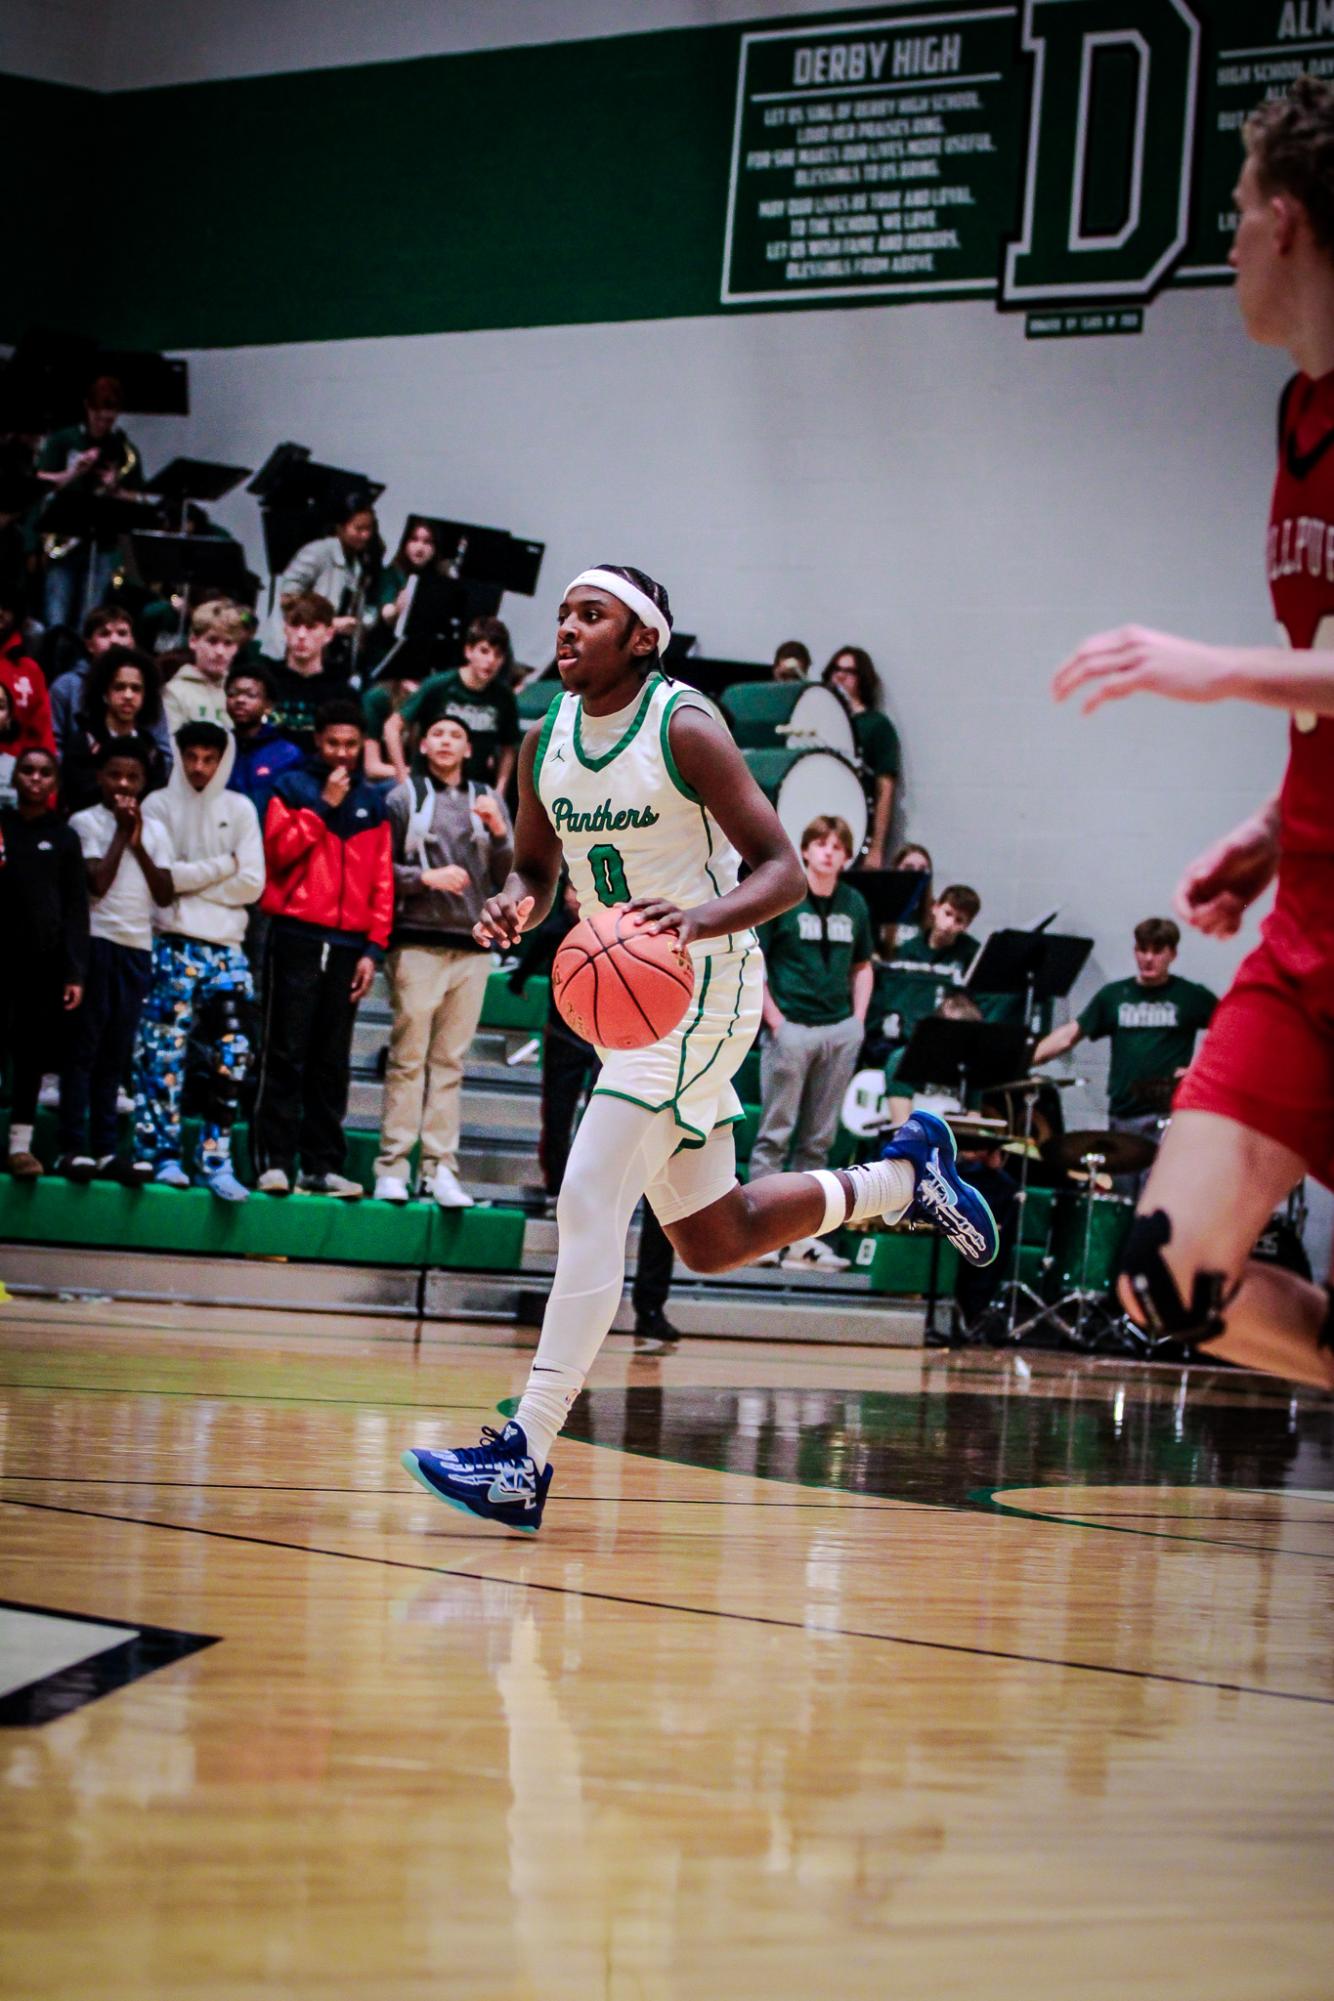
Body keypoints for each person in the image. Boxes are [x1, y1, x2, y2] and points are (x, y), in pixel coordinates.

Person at [401, 564, 998, 1533]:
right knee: (711, 1237)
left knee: (590, 1194)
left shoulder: (684, 728)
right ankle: (901, 1180)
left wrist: (696, 921)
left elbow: (782, 873)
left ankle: (523, 1454)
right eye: (561, 615)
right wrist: (517, 904)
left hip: (705, 982)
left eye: (589, 615)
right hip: (630, 1002)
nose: (566, 629)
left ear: (642, 638)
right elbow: (538, 865)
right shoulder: (541, 739)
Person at [1051, 77, 1334, 1389]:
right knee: (1165, 1279)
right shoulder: (1295, 414)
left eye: (1230, 214)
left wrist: (1206, 668)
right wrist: (1276, 830)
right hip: (1306, 930)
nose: (1222, 244)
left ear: (1284, 221)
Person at [251, 699, 393, 1198]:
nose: (342, 753)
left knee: (331, 1061)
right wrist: (322, 807)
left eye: (352, 745)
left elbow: (381, 880)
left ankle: (321, 1167)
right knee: (285, 1052)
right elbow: (278, 854)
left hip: (350, 943)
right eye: (333, 743)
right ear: (318, 741)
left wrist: (372, 950)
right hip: (295, 934)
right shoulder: (291, 787)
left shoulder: (374, 802)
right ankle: (273, 1161)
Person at [374, 711, 513, 1208]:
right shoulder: (401, 797)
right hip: (415, 942)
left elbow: (509, 874)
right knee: (408, 1059)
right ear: (423, 744)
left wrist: (499, 833)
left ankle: (439, 1168)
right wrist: (421, 879)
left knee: (449, 1063)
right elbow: (376, 867)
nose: (447, 741)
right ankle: (392, 1165)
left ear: (469, 748)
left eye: (456, 734)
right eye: (438, 733)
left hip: (472, 947)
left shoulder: (487, 798)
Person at [132, 721, 265, 1199]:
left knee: (236, 1051)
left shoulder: (241, 808)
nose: (199, 767)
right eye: (191, 757)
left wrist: (191, 883)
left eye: (210, 758)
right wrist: (222, 867)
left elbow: (252, 884)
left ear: (223, 760)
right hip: (171, 943)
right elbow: (161, 883)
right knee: (162, 1054)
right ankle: (158, 1154)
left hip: (228, 949)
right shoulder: (157, 806)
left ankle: (215, 1156)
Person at [751, 813, 874, 1271]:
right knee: (774, 1135)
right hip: (792, 1028)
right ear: (804, 850)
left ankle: (805, 1239)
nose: (828, 852)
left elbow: (863, 965)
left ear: (845, 857)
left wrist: (858, 1021)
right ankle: (760, 1233)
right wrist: (775, 1020)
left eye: (838, 846)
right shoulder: (786, 897)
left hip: (838, 1030)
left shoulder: (855, 904)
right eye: (821, 844)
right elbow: (755, 961)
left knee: (819, 1142)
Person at [59, 742, 173, 1182]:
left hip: (136, 947)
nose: (124, 785)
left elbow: (164, 892)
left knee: (115, 1053)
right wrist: (122, 833)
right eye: (115, 776)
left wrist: (140, 840)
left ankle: (106, 1149)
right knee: (83, 1049)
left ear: (145, 783)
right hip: (94, 942)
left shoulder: (156, 830)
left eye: (133, 778)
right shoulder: (84, 822)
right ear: (100, 777)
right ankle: (71, 1146)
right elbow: (96, 883)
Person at [1033, 917, 1217, 1146]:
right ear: (1135, 951)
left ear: (1172, 954)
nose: (1148, 959)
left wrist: (1199, 1071)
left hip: (1169, 1116)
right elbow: (1069, 1036)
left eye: (1157, 951)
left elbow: (1232, 1035)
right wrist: (1025, 1061)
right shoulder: (1114, 995)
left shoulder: (1189, 996)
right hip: (1124, 1115)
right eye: (1143, 950)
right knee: (1122, 1178)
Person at [1, 746, 88, 1177]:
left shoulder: (65, 836)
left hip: (43, 965)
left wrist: (74, 970)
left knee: (31, 1055)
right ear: (15, 778)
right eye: (28, 771)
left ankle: (21, 1146)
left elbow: (75, 908)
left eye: (44, 773)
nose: (35, 779)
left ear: (55, 782)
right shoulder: (2, 828)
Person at [36, 376, 144, 629]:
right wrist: (75, 471)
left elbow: (137, 498)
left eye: (110, 418)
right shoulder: (64, 440)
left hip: (103, 544)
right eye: (99, 417)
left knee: (91, 616)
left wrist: (113, 487)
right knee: (56, 615)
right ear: (87, 408)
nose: (103, 424)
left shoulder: (123, 448)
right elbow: (39, 480)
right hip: (64, 537)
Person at [384, 615, 519, 792]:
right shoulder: (439, 685)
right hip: (428, 785)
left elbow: (509, 747)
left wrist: (499, 791)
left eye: (498, 655)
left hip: (472, 789)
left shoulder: (504, 696)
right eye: (484, 651)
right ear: (468, 651)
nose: (491, 661)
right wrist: (402, 777)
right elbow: (392, 726)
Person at [263, 495, 379, 672]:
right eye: (358, 528)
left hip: (325, 654)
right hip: (289, 651)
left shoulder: (357, 564)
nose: (365, 535)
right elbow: (287, 598)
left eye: (368, 529)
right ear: (340, 527)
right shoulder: (317, 552)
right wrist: (330, 623)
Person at [871, 882, 981, 1058]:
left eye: (959, 920)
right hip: (906, 1037)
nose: (949, 924)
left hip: (948, 1040)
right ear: (935, 908)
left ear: (966, 925)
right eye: (947, 913)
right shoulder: (909, 949)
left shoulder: (972, 955)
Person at [61, 646, 169, 813]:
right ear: (104, 693)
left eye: (136, 688)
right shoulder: (84, 742)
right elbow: (76, 794)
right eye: (119, 687)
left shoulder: (151, 750)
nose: (128, 695)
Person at [823, 646, 901, 867]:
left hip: (855, 827)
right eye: (836, 669)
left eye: (849, 672)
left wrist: (876, 848)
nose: (840, 676)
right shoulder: (821, 721)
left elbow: (885, 789)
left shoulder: (876, 725)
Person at [49, 605, 138, 750]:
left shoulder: (146, 686)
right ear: (89, 645)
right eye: (104, 634)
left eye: (122, 633)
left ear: (132, 642)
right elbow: (53, 744)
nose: (114, 640)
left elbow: (162, 751)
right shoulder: (66, 686)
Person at [264, 592, 344, 749]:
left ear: (329, 634)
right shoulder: (265, 681)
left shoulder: (341, 691)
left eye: (311, 627)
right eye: (295, 626)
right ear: (285, 630)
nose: (301, 635)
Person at [224, 662, 304, 817]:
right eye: (233, 693)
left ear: (268, 706)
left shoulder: (287, 755)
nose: (240, 700)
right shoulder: (219, 747)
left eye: (250, 695)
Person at [162, 599, 247, 738]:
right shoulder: (175, 692)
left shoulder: (238, 692)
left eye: (228, 643)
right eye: (212, 641)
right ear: (193, 641)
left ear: (237, 647)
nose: (220, 651)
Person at [0, 582, 55, 764]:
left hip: (17, 780)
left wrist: (48, 791)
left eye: (6, 607)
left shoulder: (30, 670)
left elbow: (44, 734)